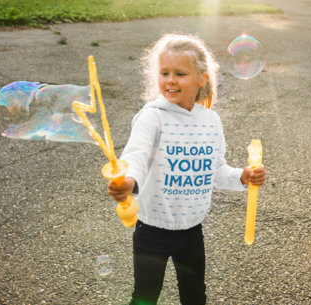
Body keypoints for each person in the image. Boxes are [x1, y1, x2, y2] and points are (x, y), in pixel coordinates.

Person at [107, 33, 266, 305]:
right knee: (145, 295)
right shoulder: (152, 116)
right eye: (164, 72)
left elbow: (216, 170)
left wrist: (242, 176)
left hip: (192, 230)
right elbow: (137, 155)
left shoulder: (210, 121)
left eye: (180, 73)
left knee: (194, 296)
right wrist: (129, 182)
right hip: (152, 230)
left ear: (202, 78)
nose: (170, 80)